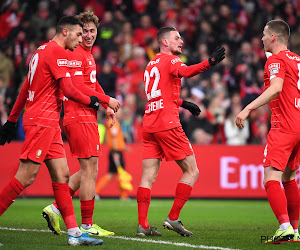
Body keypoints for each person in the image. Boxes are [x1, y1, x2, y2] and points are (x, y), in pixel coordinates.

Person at [0, 16, 103, 246]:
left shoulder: (40, 50)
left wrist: (11, 120)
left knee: (62, 175)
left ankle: (74, 234)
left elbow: (26, 85)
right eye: (78, 34)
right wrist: (93, 101)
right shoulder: (57, 52)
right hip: (41, 122)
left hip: (50, 122)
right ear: (65, 32)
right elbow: (68, 88)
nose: (81, 39)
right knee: (26, 177)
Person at [136, 26, 225, 237]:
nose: (181, 41)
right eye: (177, 38)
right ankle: (173, 218)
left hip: (149, 123)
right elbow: (186, 72)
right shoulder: (171, 60)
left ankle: (143, 225)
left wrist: (184, 103)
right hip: (167, 123)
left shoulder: (150, 65)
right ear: (164, 42)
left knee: (147, 176)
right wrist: (210, 62)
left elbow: (161, 94)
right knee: (192, 171)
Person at [41, 11, 120, 237]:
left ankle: (56, 207)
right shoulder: (76, 54)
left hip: (85, 116)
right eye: (83, 31)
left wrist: (106, 105)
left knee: (88, 169)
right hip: (79, 116)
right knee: (89, 171)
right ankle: (86, 224)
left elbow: (92, 85)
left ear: (97, 32)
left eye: (92, 31)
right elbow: (77, 88)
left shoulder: (87, 54)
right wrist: (107, 100)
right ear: (77, 32)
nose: (87, 35)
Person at [236, 19, 300, 243]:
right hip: (299, 124)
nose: (261, 38)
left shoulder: (277, 60)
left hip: (284, 125)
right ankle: (294, 230)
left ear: (273, 37)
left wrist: (247, 109)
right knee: (289, 177)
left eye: (264, 34)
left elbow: (276, 88)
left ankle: (284, 227)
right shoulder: (296, 60)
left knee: (270, 177)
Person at [95, 109, 133, 200]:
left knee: (114, 174)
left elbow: (116, 138)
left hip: (116, 150)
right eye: (119, 111)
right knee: (119, 174)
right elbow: (114, 137)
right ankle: (123, 195)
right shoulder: (113, 122)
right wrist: (116, 151)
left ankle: (96, 192)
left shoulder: (113, 122)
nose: (120, 112)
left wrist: (124, 147)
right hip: (116, 152)